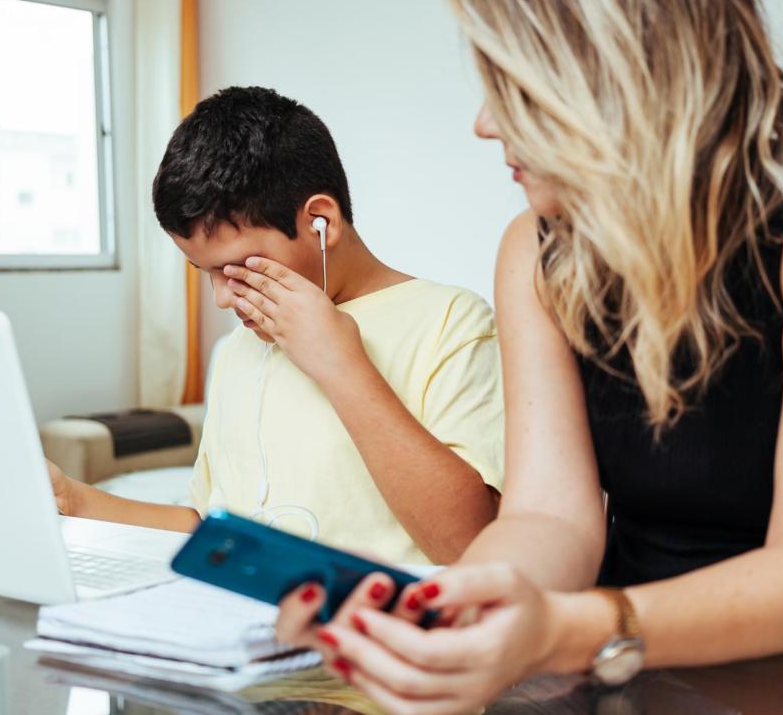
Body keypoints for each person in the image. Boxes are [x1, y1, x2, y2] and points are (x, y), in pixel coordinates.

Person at [275, 0, 783, 710]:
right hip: (634, 680)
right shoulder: (535, 249)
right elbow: (548, 517)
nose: (484, 124)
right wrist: (447, 604)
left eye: (516, 86)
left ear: (617, 73)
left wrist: (569, 628)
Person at [49, 86, 504, 565]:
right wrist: (73, 501)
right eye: (206, 273)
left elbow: (468, 545)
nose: (223, 297)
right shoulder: (239, 351)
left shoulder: (452, 323)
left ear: (321, 221)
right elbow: (210, 529)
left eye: (237, 268)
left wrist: (340, 364)